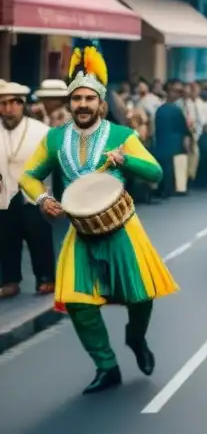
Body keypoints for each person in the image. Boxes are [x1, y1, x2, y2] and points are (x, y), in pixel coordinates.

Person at [19, 40, 178, 394]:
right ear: (69, 102)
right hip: (80, 232)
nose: (83, 104)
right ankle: (106, 365)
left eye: (89, 98)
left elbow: (155, 173)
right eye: (77, 98)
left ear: (101, 103)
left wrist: (126, 160)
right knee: (78, 302)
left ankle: (135, 338)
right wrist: (43, 198)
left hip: (122, 229)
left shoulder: (122, 136)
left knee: (141, 297)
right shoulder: (55, 139)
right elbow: (28, 176)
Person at [0, 82, 55, 297]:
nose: (9, 109)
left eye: (14, 103)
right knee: (5, 237)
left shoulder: (41, 131)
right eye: (4, 104)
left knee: (38, 235)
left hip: (34, 194)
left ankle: (46, 278)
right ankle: (10, 281)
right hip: (4, 194)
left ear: (22, 105)